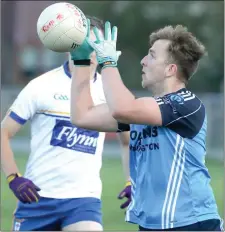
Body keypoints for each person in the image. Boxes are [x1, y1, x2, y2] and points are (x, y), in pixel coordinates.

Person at [69, 21, 223, 231]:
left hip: (190, 222)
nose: (143, 61)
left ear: (170, 69)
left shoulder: (187, 104)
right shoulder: (142, 109)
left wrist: (108, 62)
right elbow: (82, 116)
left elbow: (122, 108)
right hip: (152, 223)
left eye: (151, 55)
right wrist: (81, 62)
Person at [1, 17, 131, 231]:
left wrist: (130, 181)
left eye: (95, 46)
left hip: (83, 200)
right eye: (82, 45)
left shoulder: (110, 92)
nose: (89, 52)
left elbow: (127, 141)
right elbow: (4, 133)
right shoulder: (40, 86)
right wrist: (14, 177)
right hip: (37, 198)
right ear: (68, 46)